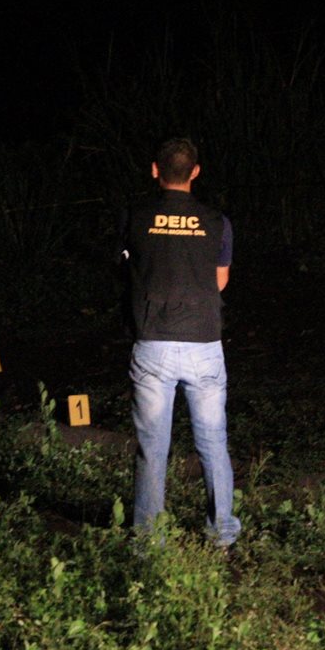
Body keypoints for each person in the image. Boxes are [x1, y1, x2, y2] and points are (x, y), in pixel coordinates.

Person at [121, 138, 241, 547]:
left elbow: (125, 269)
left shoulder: (135, 217)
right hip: (203, 342)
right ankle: (221, 531)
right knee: (213, 441)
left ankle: (149, 539)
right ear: (195, 172)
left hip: (153, 340)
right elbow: (220, 281)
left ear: (155, 170)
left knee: (152, 447)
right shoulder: (217, 221)